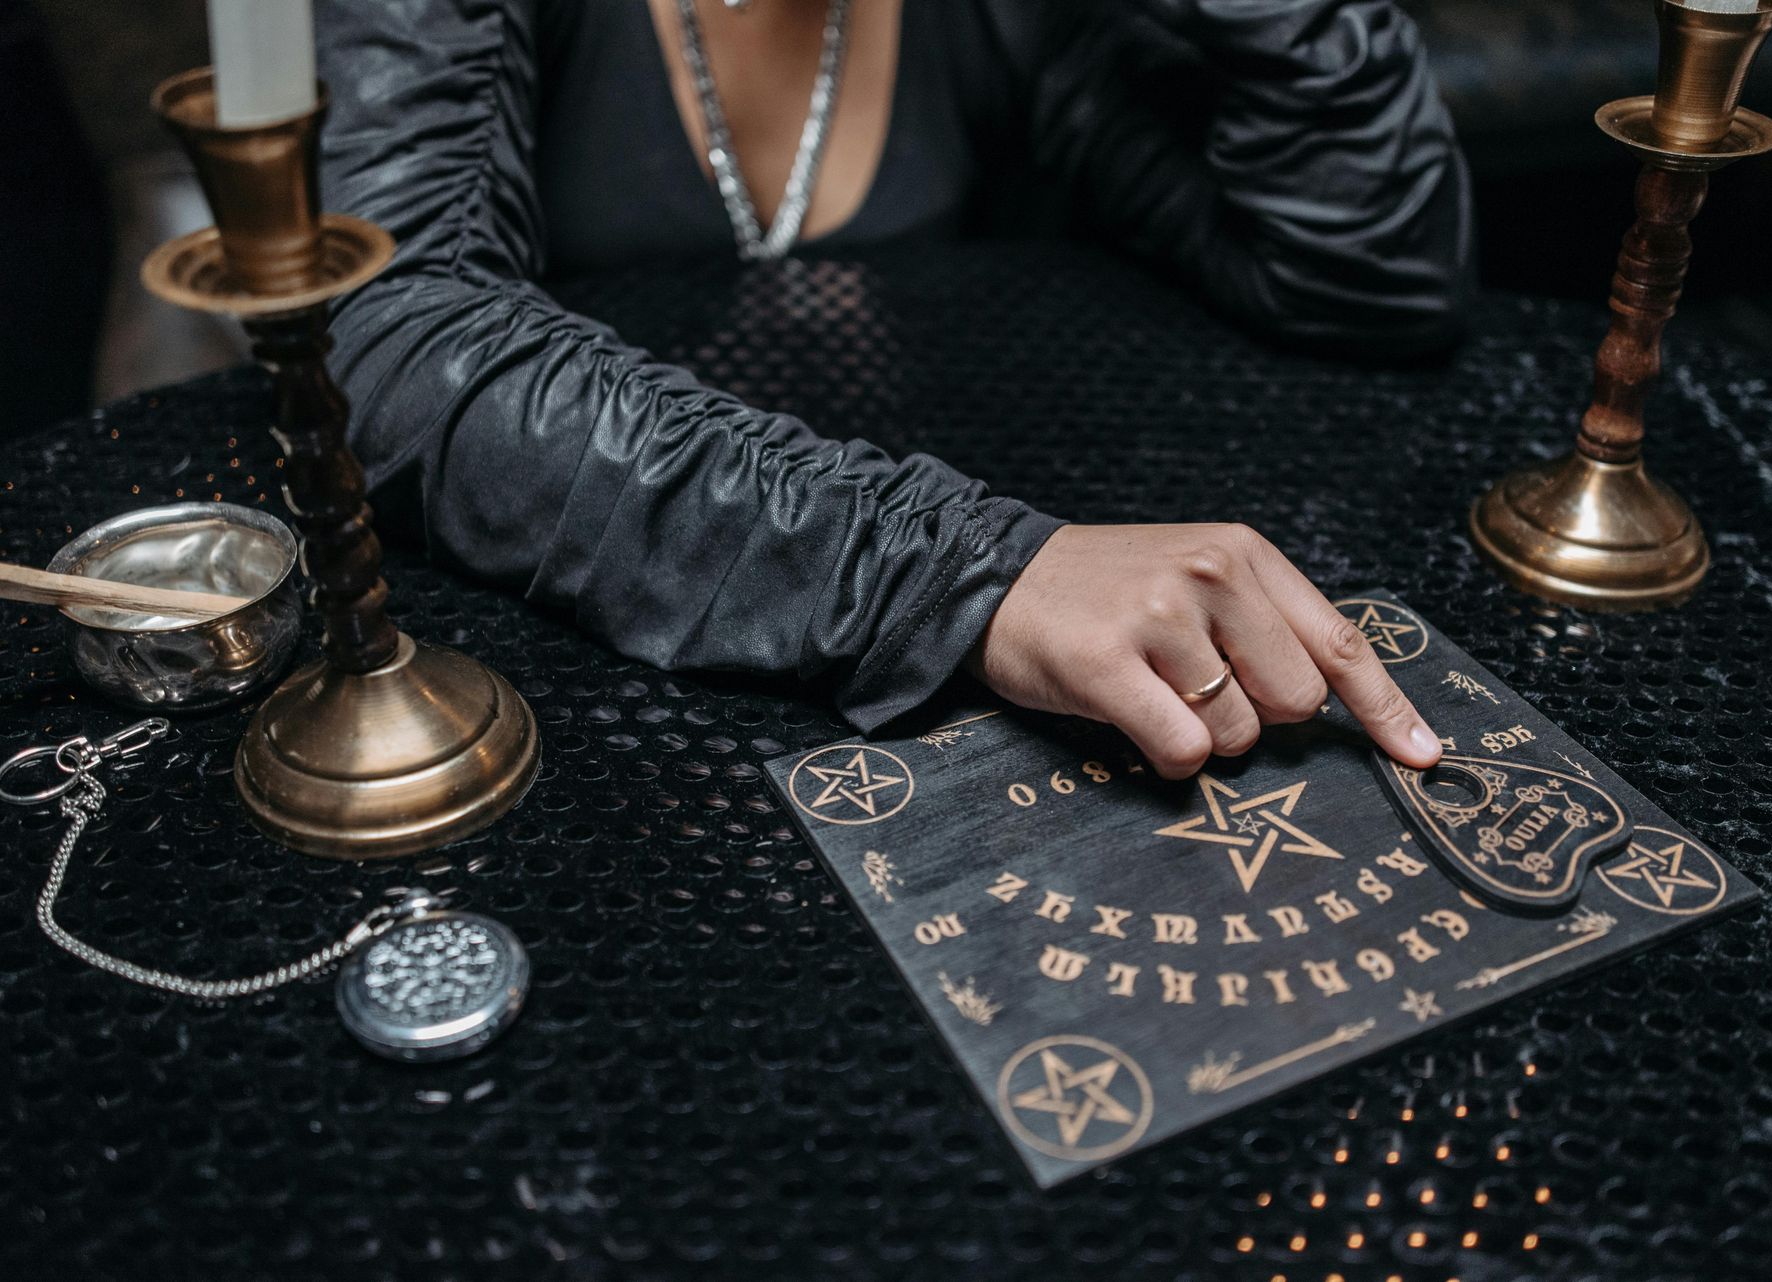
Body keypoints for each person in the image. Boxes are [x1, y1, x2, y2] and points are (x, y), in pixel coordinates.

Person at [315, 0, 1468, 779]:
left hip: (966, 730)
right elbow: (393, 338)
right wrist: (959, 568)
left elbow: (1370, 283)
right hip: (556, 707)